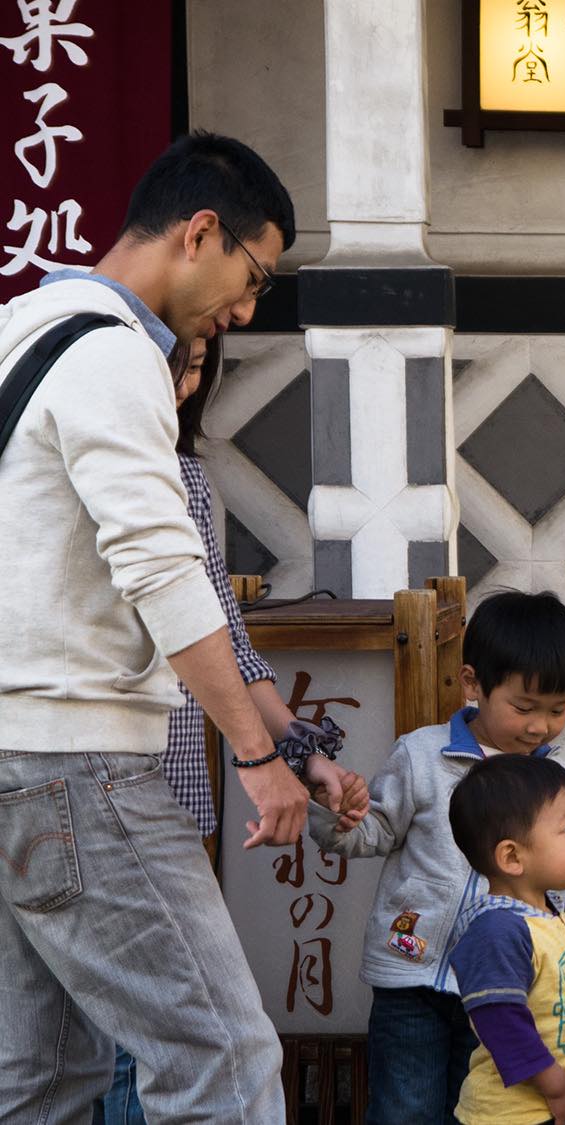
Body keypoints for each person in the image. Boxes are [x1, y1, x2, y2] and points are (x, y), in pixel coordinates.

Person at [0, 131, 308, 1123]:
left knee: (40, 1080)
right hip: (77, 765)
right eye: (253, 275)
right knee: (224, 1064)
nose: (247, 308)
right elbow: (163, 567)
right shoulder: (114, 351)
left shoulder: (23, 326)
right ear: (201, 232)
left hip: (14, 755)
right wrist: (257, 754)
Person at [93, 336, 371, 1123]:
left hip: (169, 786)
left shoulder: (185, 475)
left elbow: (227, 639)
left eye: (194, 373)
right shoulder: (78, 464)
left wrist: (299, 750)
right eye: (173, 365)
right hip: (92, 778)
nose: (181, 388)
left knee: (130, 1040)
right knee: (153, 1039)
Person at [311, 590, 565, 1125]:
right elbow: (369, 834)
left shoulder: (559, 785)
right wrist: (338, 814)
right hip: (411, 978)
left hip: (505, 987)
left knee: (482, 1109)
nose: (540, 727)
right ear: (472, 685)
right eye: (524, 707)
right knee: (404, 1108)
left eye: (558, 710)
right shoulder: (422, 755)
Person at [447, 754, 565, 1125]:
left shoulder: (564, 918)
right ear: (512, 856)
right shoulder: (497, 930)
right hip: (513, 1116)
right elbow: (500, 1019)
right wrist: (557, 1087)